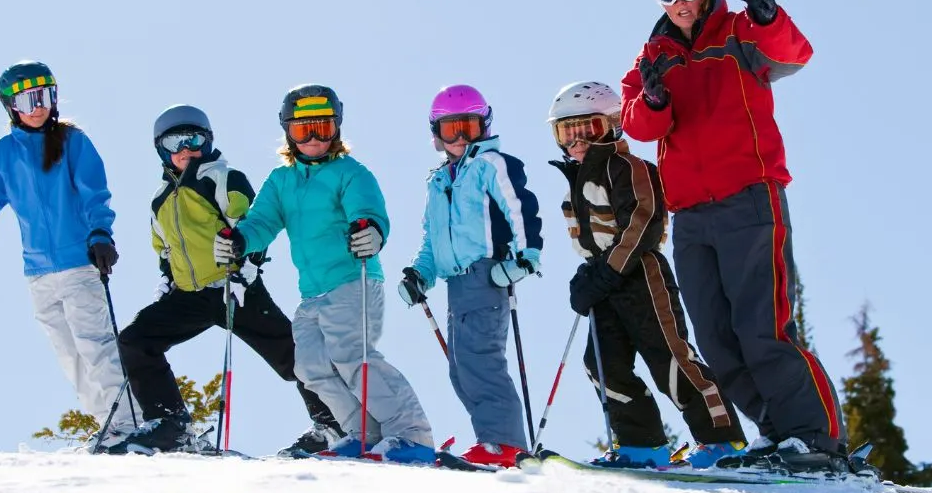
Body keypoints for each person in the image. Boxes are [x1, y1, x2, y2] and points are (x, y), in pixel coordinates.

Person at [620, 0, 845, 472]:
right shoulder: (652, 56)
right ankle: (778, 432)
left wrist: (770, 22)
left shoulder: (738, 31)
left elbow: (791, 57)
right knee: (716, 339)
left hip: (749, 194)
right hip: (693, 214)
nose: (679, 0)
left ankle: (815, 437)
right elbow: (639, 126)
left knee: (762, 325)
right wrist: (652, 101)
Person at [213, 85, 435, 464]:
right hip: (312, 292)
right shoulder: (282, 180)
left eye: (323, 128)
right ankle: (362, 433)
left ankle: (412, 433)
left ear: (337, 130)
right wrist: (239, 240)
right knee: (310, 365)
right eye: (304, 130)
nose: (314, 138)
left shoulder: (350, 172)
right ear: (288, 133)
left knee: (352, 356)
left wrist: (370, 231)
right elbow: (262, 221)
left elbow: (368, 211)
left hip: (352, 279)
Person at [109, 104, 344, 455]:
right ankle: (171, 425)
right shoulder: (160, 200)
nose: (187, 149)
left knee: (291, 354)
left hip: (235, 287)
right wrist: (166, 279)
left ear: (209, 142)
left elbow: (250, 223)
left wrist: (247, 264)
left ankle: (333, 424)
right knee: (134, 340)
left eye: (196, 139)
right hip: (189, 294)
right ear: (161, 149)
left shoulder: (222, 178)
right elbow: (165, 247)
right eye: (177, 142)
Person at [546, 81, 746, 469]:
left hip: (641, 276)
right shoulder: (574, 181)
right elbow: (590, 240)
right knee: (603, 364)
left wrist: (607, 270)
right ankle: (642, 444)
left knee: (670, 358)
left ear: (613, 125)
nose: (577, 142)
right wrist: (587, 276)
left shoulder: (629, 168)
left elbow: (644, 223)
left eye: (588, 129)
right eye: (566, 132)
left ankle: (723, 441)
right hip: (605, 283)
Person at [0, 59, 133, 451]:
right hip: (37, 273)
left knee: (94, 344)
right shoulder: (2, 155)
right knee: (70, 357)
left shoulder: (73, 141)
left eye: (47, 95)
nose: (39, 106)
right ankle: (110, 429)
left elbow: (94, 194)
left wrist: (101, 234)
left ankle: (128, 424)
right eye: (29, 98)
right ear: (10, 106)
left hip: (79, 264)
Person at [398, 84, 543, 468]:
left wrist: (525, 258)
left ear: (485, 126)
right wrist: (420, 274)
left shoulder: (490, 164)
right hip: (455, 284)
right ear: (437, 135)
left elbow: (520, 210)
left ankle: (505, 444)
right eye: (451, 129)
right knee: (461, 369)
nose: (461, 137)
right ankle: (492, 441)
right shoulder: (438, 180)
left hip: (486, 275)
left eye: (469, 127)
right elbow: (432, 239)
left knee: (481, 360)